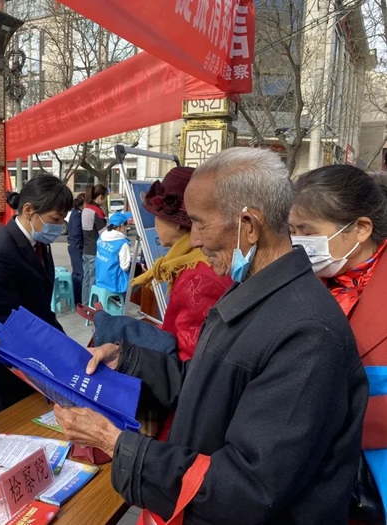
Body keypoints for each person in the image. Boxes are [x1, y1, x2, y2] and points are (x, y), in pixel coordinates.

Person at [55, 147, 368, 523]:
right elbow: (210, 385)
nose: (197, 240)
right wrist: (129, 359)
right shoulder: (253, 289)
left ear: (249, 225)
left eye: (201, 223)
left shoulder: (307, 334)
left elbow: (249, 487)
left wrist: (114, 443)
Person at [290, 165, 387, 523]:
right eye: (293, 231)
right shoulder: (309, 281)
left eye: (308, 232)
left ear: (361, 229)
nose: (298, 242)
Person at [0, 174, 73, 416]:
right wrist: (57, 355)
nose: (58, 227)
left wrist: (69, 351)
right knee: (11, 431)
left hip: (30, 354)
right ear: (28, 210)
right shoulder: (0, 253)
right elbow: (10, 321)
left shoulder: (39, 242)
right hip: (3, 362)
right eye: (55, 219)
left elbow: (41, 308)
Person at [130, 166, 232, 361]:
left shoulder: (198, 276)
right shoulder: (190, 262)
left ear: (177, 223)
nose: (155, 223)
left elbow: (189, 356)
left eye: (157, 216)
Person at [81, 183, 108, 303]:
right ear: (101, 196)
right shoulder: (97, 211)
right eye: (105, 197)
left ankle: (85, 305)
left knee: (86, 279)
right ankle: (92, 307)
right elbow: (104, 233)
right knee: (94, 280)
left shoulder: (86, 209)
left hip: (86, 249)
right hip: (95, 251)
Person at [95, 211, 132, 295]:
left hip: (100, 279)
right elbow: (125, 267)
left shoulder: (101, 237)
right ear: (121, 226)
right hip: (114, 283)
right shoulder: (122, 243)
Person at [67, 193, 85, 305]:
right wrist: (80, 245)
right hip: (76, 246)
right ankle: (78, 299)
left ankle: (75, 298)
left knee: (76, 273)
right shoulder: (77, 215)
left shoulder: (75, 213)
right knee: (80, 274)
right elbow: (77, 232)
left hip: (73, 245)